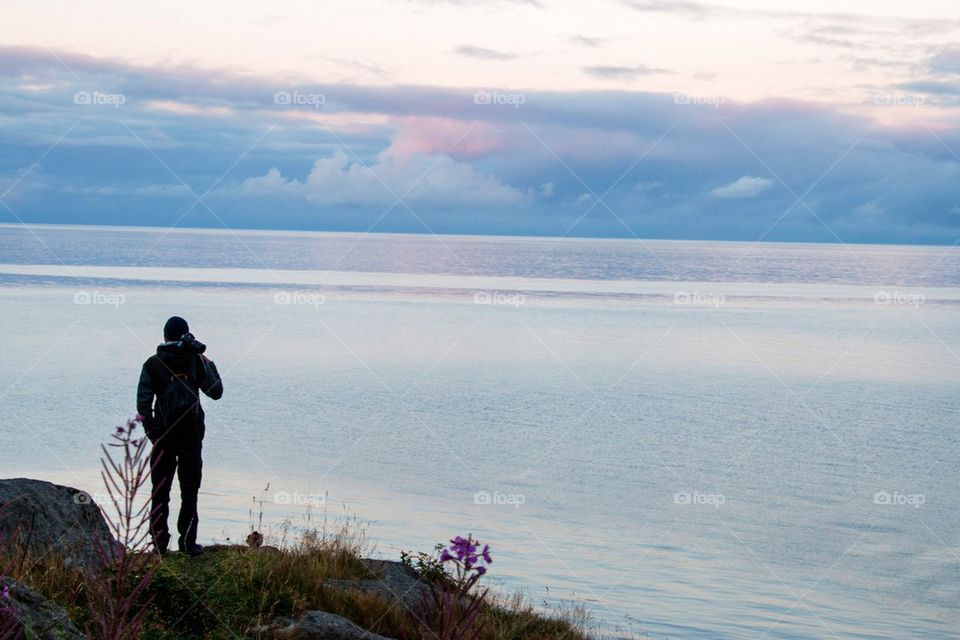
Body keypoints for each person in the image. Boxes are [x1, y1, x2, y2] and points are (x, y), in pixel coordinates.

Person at [137, 316, 223, 556]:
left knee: (160, 494)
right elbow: (216, 392)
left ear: (164, 337)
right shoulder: (195, 361)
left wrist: (153, 434)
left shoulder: (153, 364)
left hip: (163, 438)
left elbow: (143, 406)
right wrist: (207, 361)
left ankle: (159, 545)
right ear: (187, 335)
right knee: (190, 493)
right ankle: (187, 544)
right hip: (191, 438)